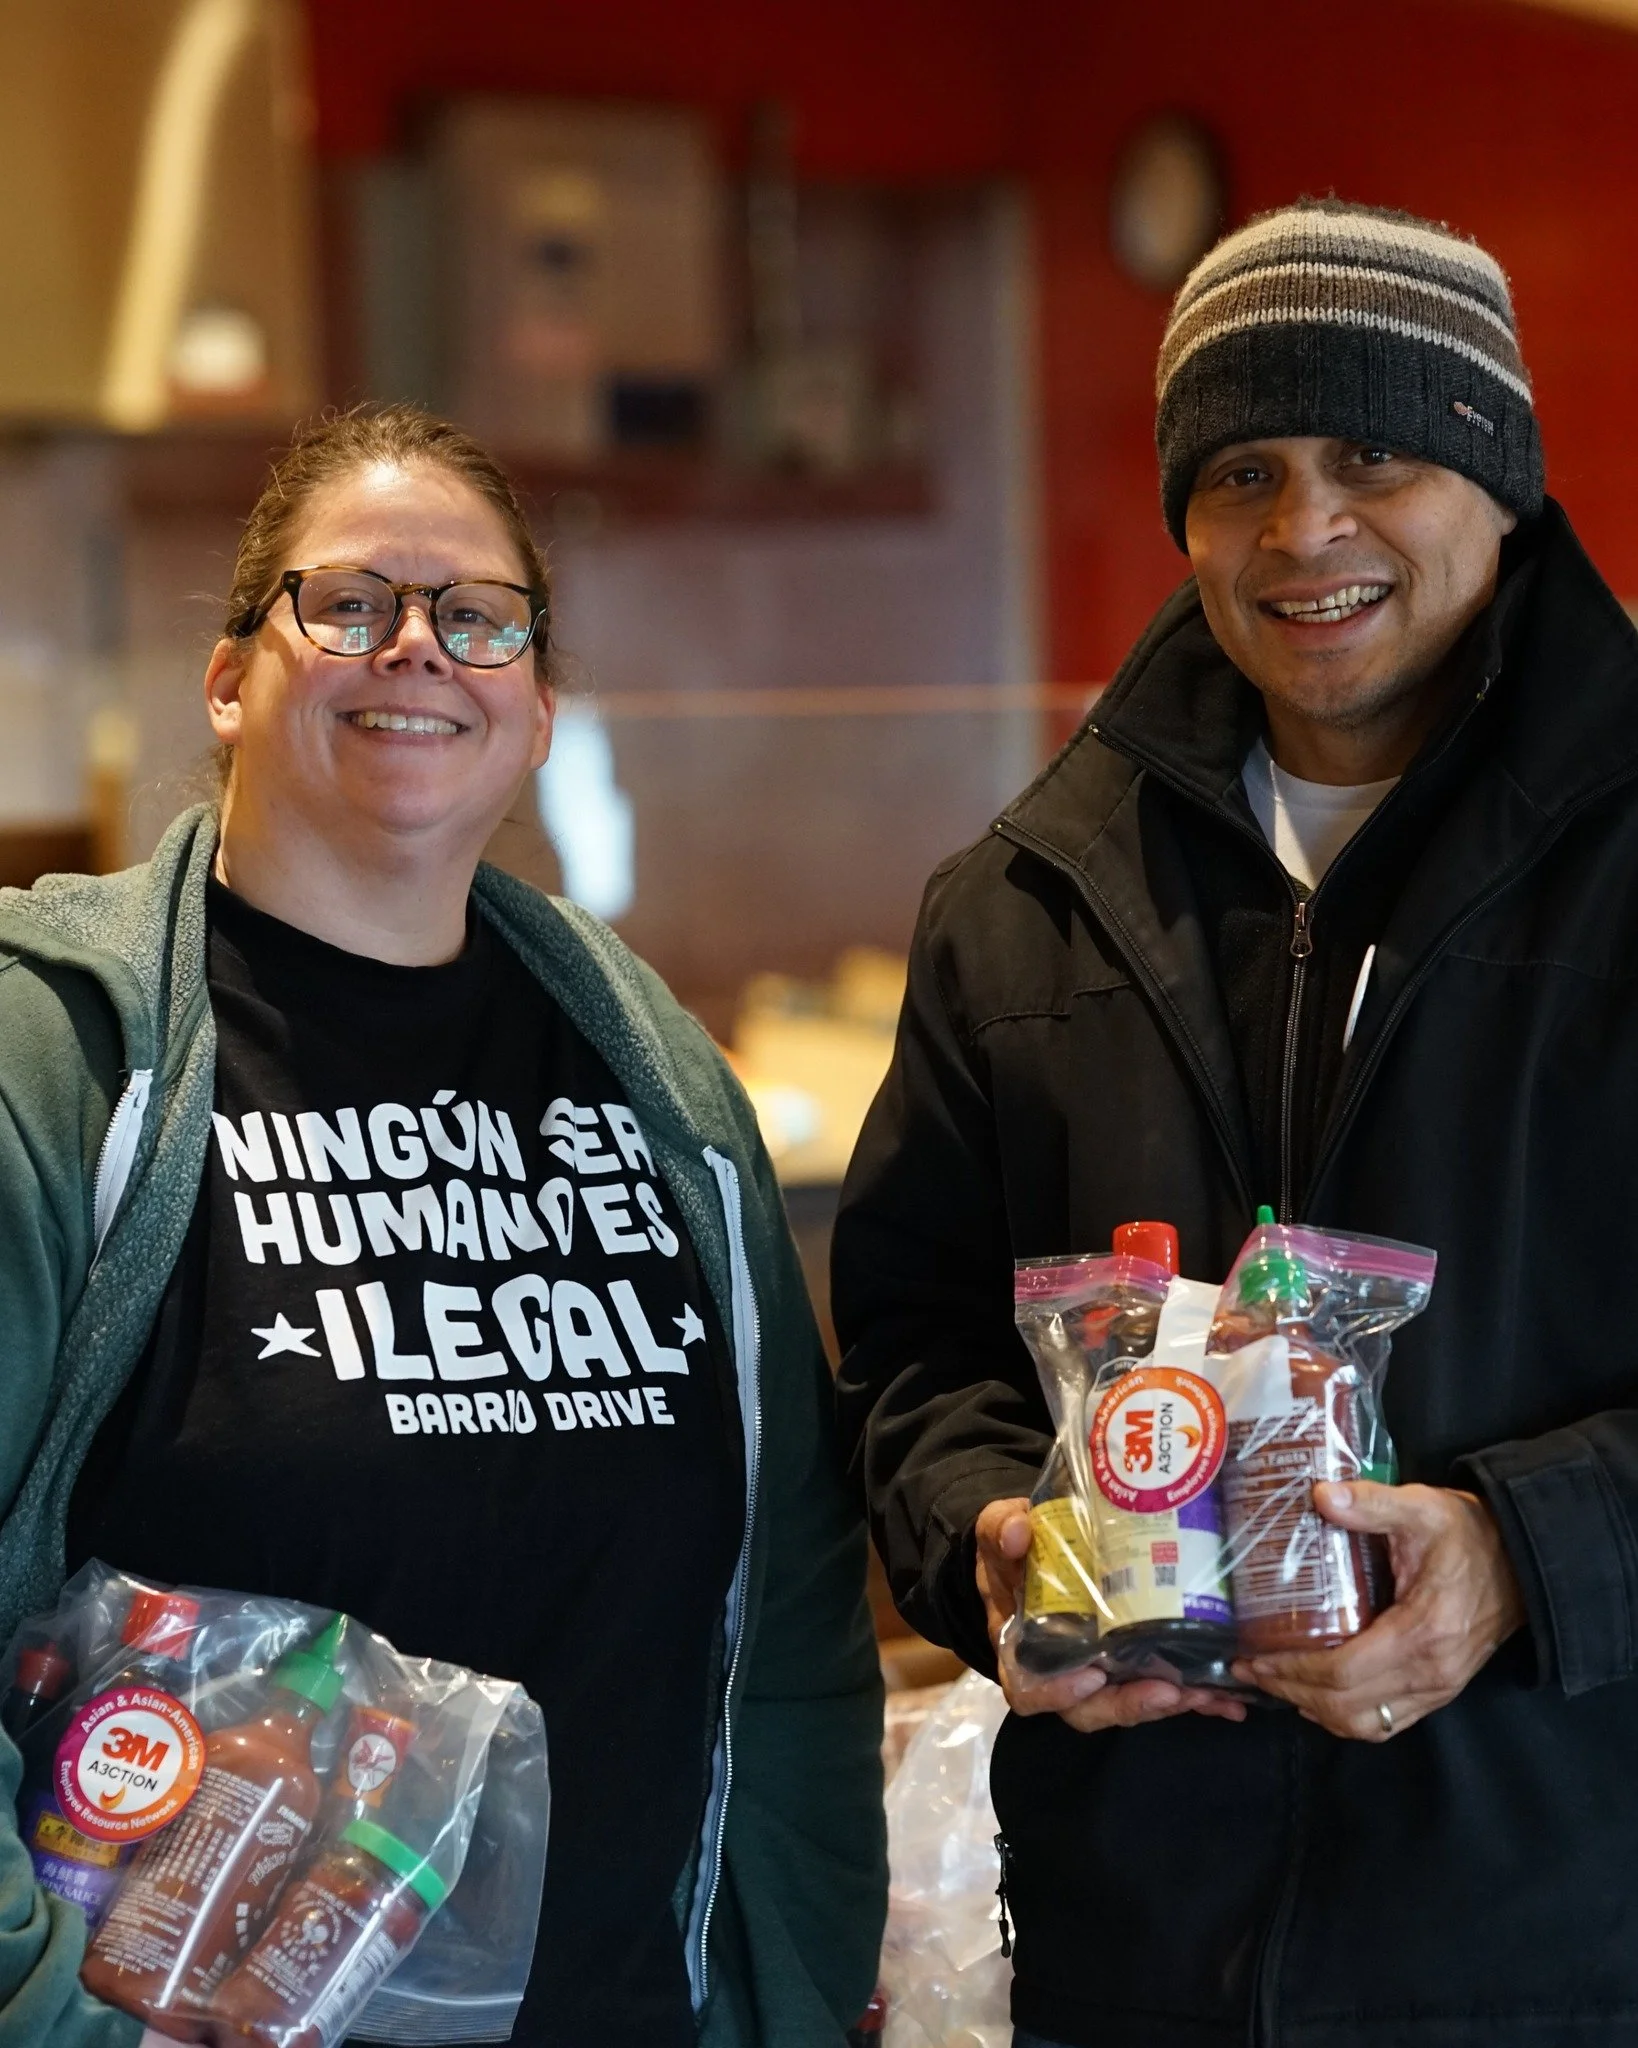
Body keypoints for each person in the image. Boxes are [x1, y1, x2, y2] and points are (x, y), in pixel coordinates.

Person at [835, 198, 1638, 2048]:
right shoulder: (1025, 897)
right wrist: (983, 1534)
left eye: (1373, 456)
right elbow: (911, 1352)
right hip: (1141, 1954)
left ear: (1498, 481)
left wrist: (1527, 1558)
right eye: (1243, 471)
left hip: (1571, 1942)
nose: (1303, 531)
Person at [0, 402, 885, 2048]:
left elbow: (788, 1620)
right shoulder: (57, 1061)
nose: (416, 650)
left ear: (538, 708)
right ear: (226, 679)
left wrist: (798, 1981)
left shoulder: (665, 1092)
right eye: (346, 606)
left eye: (477, 620)